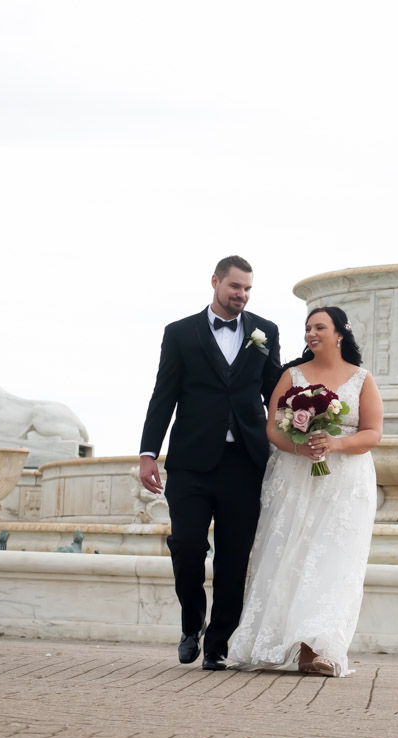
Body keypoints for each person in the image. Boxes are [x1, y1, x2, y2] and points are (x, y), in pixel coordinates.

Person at [138, 255, 283, 671]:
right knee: (185, 546)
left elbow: (274, 390)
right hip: (191, 461)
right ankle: (191, 624)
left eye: (248, 289)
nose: (242, 295)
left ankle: (218, 643)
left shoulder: (265, 331)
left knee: (234, 558)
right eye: (236, 286)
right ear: (216, 281)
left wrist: (311, 410)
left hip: (246, 461)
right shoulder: (180, 333)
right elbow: (163, 395)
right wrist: (149, 452)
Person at [226, 306, 383, 677]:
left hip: (345, 483)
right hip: (294, 479)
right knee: (288, 555)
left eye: (319, 327)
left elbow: (372, 433)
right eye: (308, 328)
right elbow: (273, 429)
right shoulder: (291, 376)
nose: (311, 334)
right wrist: (302, 448)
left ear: (340, 333)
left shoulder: (362, 378)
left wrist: (334, 443)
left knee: (332, 561)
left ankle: (320, 648)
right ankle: (277, 641)